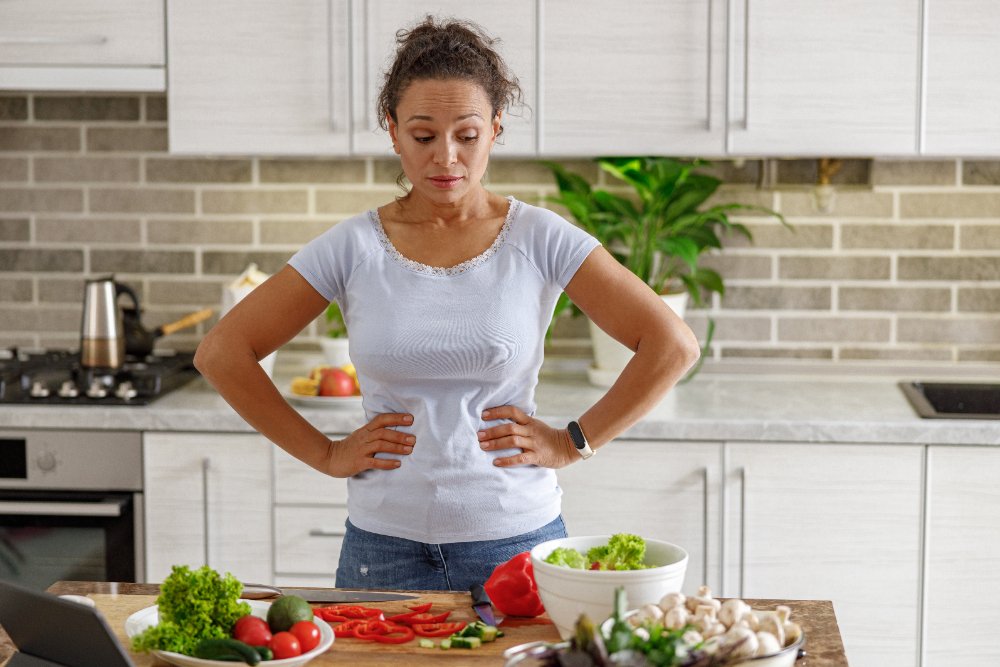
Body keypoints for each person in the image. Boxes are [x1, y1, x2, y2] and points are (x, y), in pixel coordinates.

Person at [194, 16, 700, 592]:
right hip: (381, 547)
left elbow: (673, 344)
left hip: (517, 542)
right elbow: (222, 353)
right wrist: (326, 455)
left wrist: (572, 442)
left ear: (495, 129)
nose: (446, 158)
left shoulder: (540, 237)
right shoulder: (354, 245)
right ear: (393, 132)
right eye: (423, 135)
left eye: (467, 134)